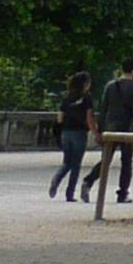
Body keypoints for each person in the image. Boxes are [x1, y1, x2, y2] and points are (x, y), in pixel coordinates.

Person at [79, 59, 133, 204]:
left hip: (110, 125)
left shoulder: (111, 86)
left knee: (106, 159)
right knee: (126, 161)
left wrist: (100, 129)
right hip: (127, 127)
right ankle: (122, 193)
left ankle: (88, 181)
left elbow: (104, 108)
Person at [45, 71, 92, 201]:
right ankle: (69, 193)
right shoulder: (87, 98)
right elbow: (89, 117)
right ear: (85, 84)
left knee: (67, 162)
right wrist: (95, 131)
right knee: (76, 165)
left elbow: (60, 118)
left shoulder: (67, 98)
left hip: (66, 132)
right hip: (80, 132)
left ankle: (57, 178)